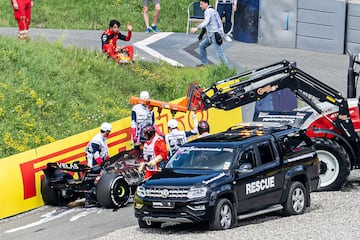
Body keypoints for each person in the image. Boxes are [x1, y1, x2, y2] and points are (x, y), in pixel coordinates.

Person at [190, 0, 228, 66]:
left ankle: (226, 68)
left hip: (214, 34)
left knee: (219, 52)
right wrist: (201, 35)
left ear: (206, 3)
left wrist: (197, 28)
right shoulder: (212, 10)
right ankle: (204, 64)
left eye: (201, 4)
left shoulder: (208, 11)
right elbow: (209, 24)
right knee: (202, 45)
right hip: (214, 33)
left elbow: (206, 22)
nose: (200, 6)